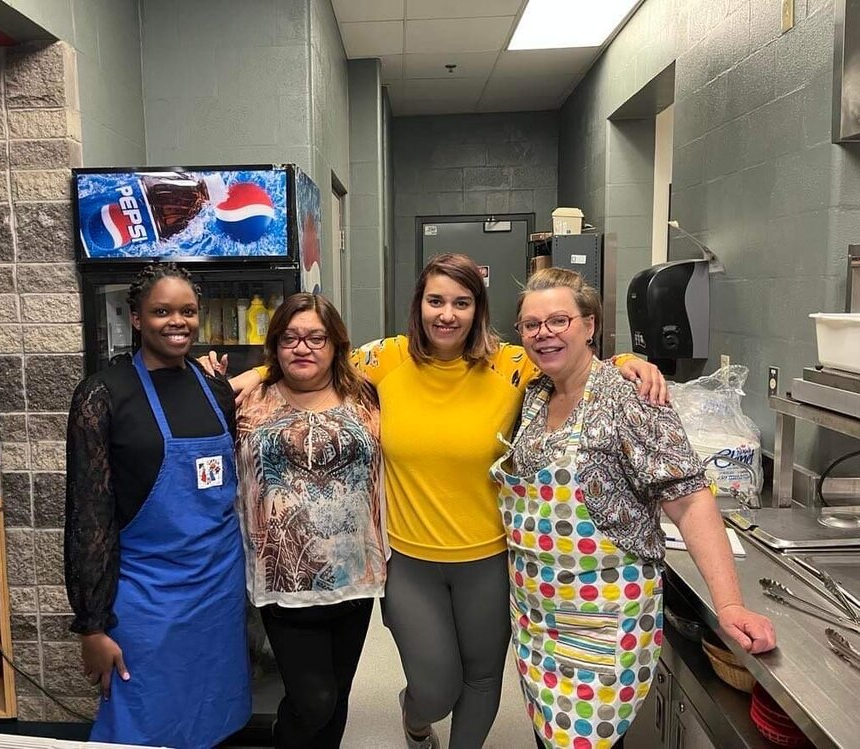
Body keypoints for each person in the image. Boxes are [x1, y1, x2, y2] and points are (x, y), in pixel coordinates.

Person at [225, 253, 666, 749]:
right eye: (436, 300)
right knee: (435, 689)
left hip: (490, 557)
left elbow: (577, 364)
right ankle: (416, 722)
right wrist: (253, 375)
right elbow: (313, 355)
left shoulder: (512, 363)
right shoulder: (387, 359)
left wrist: (629, 361)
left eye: (462, 302)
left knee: (481, 680)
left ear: (478, 310)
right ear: (419, 305)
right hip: (410, 561)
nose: (447, 314)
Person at [493, 268, 776, 749]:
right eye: (531, 324)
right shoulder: (536, 395)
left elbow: (689, 500)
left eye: (559, 320)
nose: (544, 333)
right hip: (538, 618)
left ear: (590, 325)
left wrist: (728, 604)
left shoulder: (630, 397)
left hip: (601, 621)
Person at [64, 263, 250, 748]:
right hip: (147, 598)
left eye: (188, 311)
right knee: (142, 720)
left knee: (212, 715)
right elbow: (89, 518)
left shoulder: (214, 391)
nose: (177, 321)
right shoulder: (103, 395)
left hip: (217, 591)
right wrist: (92, 624)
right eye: (162, 311)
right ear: (137, 317)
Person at [236, 292, 386, 748]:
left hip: (355, 575)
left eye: (316, 338)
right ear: (275, 346)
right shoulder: (247, 398)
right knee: (313, 700)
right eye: (290, 338)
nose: (303, 348)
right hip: (282, 578)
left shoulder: (367, 394)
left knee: (336, 700)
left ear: (336, 344)